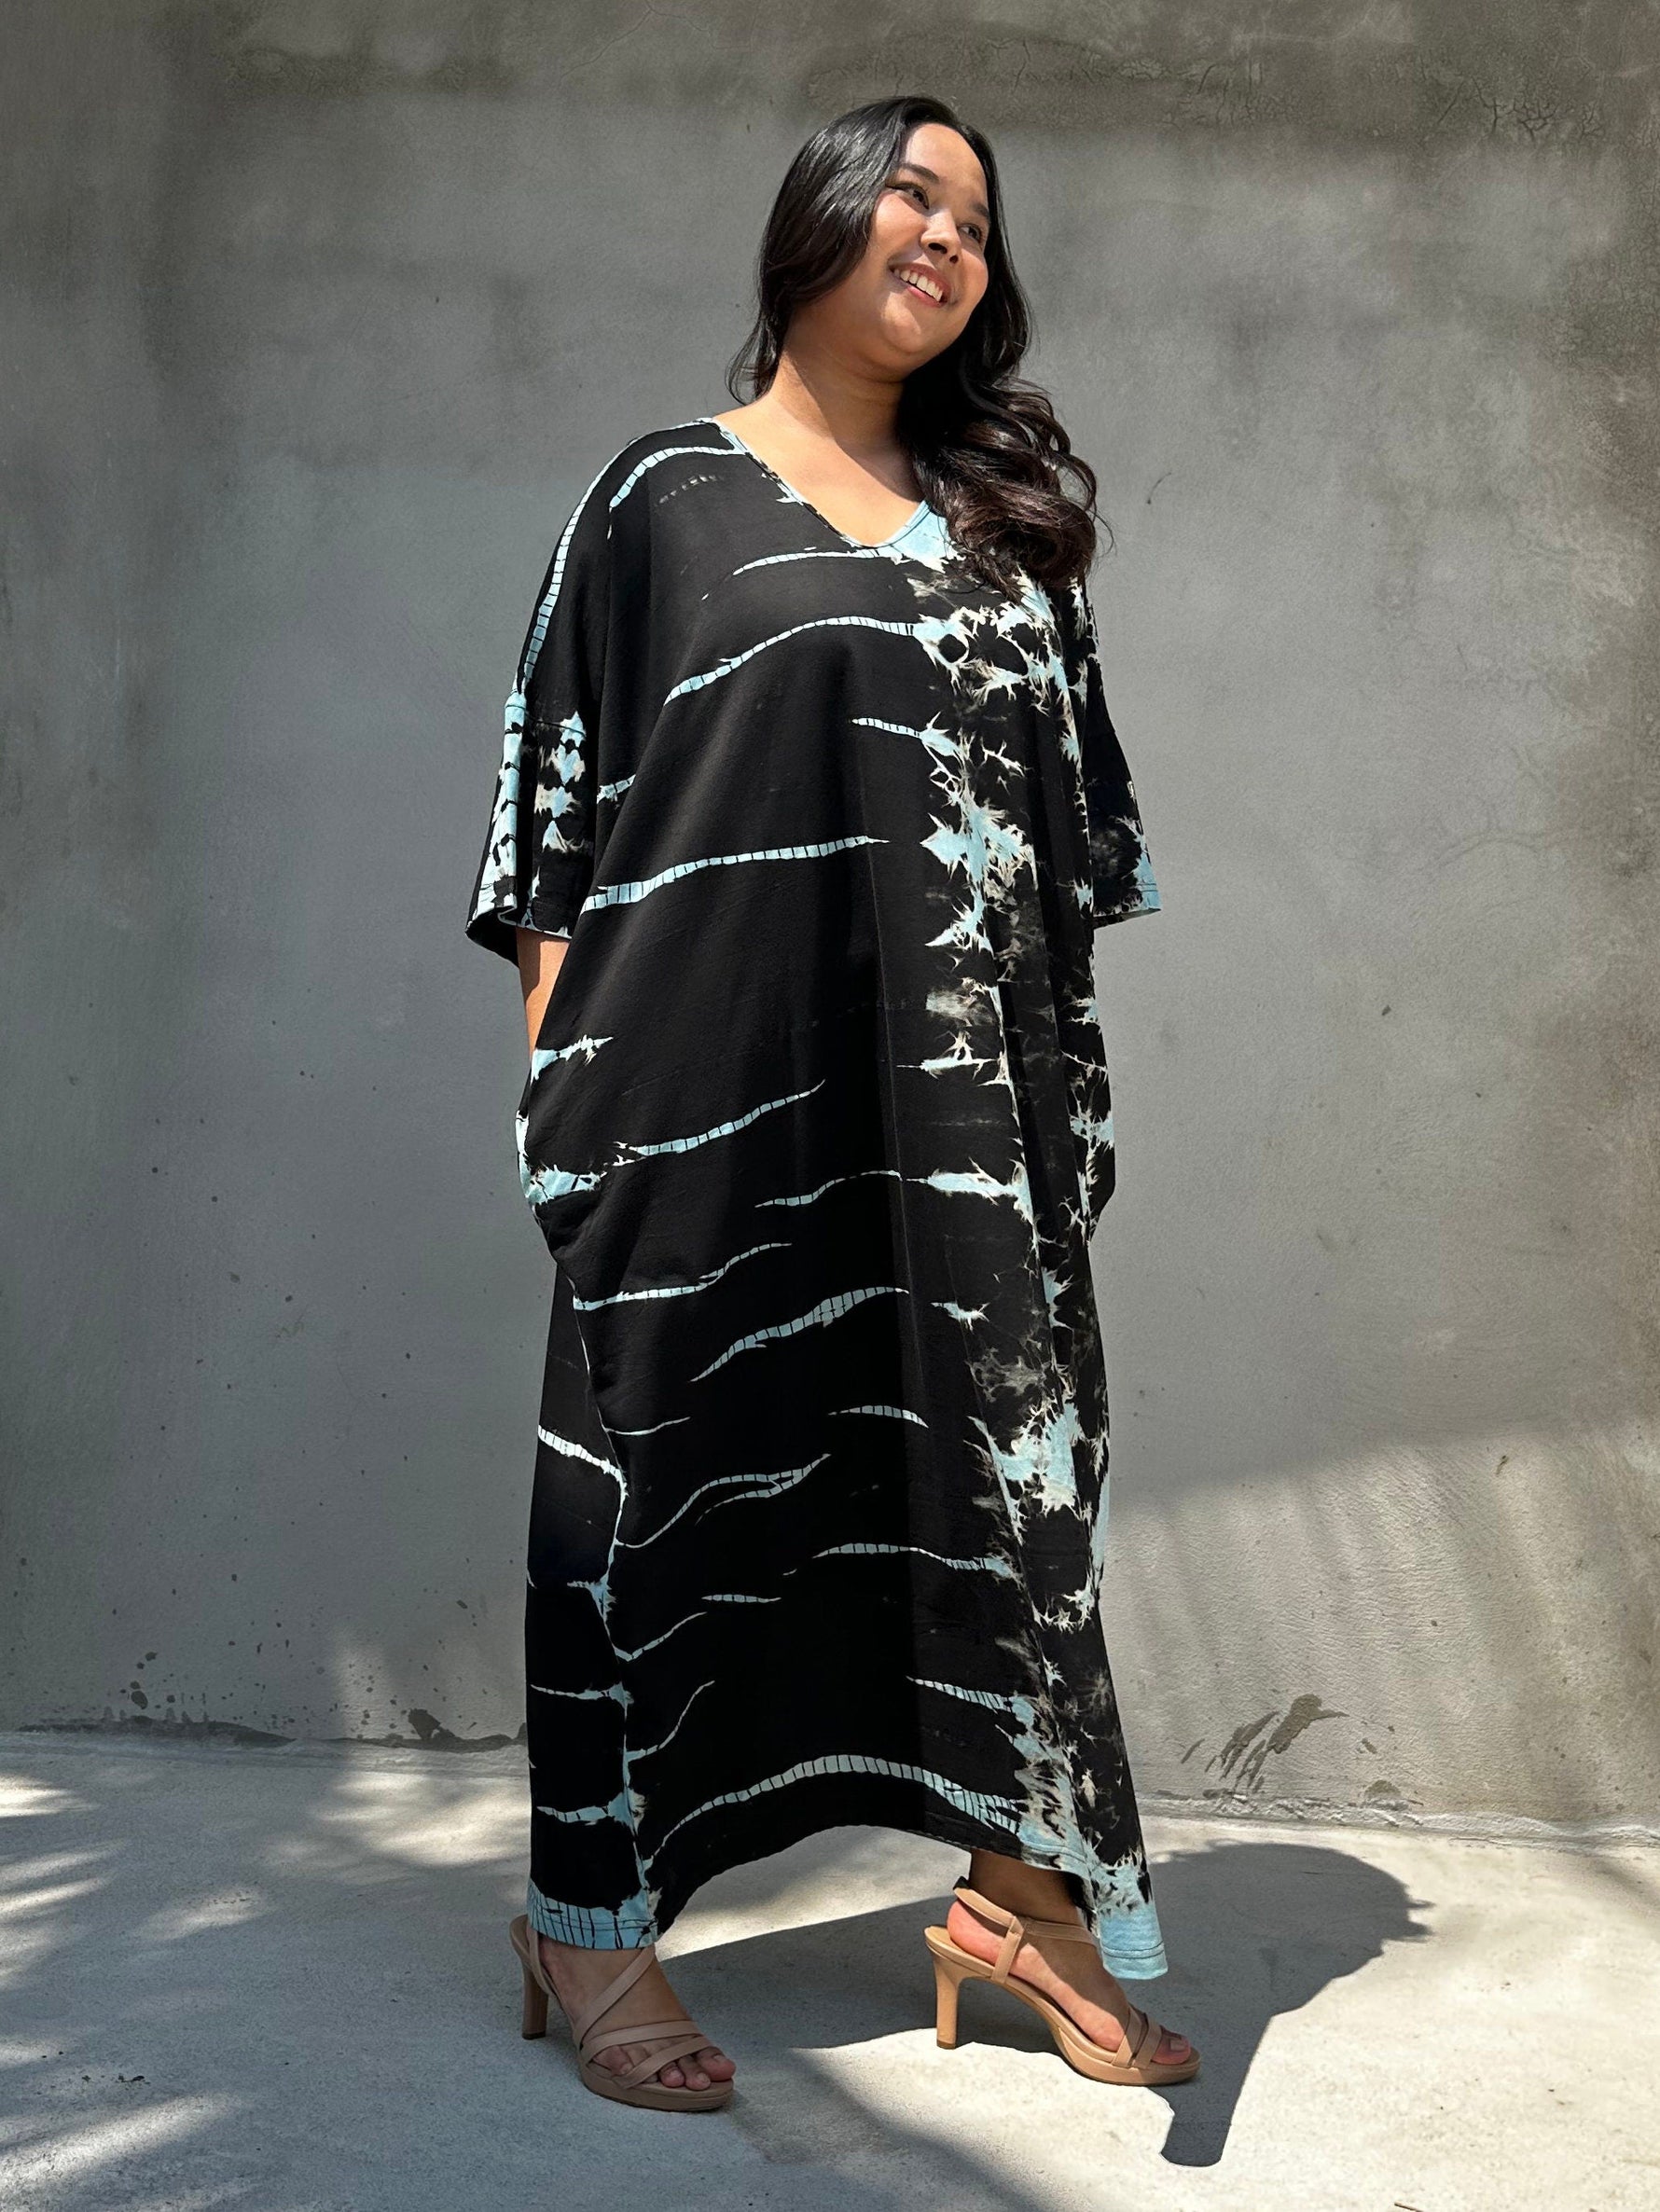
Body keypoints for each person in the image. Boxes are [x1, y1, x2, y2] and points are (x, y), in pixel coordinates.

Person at [464, 92, 1198, 2113]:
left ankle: (1019, 1905)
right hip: (701, 1125)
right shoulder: (659, 498)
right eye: (910, 191)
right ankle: (586, 1924)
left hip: (966, 1134)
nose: (945, 233)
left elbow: (1074, 859)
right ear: (815, 219)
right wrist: (570, 1114)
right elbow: (552, 840)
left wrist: (1050, 1124)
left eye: (977, 215)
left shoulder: (1009, 533)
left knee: (1005, 1511)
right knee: (641, 1511)